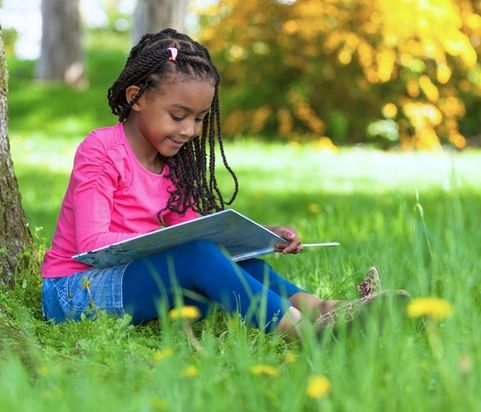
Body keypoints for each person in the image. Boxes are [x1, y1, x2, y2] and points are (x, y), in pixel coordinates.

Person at [41, 28, 403, 340]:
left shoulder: (176, 163)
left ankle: (323, 308)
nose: (190, 131)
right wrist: (184, 248)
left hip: (141, 282)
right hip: (76, 290)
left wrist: (261, 235)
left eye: (199, 119)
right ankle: (305, 333)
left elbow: (194, 234)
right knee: (198, 255)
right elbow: (91, 242)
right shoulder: (101, 150)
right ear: (136, 97)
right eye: (178, 116)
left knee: (240, 264)